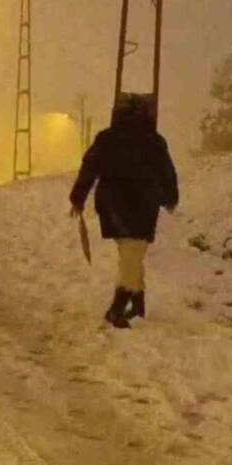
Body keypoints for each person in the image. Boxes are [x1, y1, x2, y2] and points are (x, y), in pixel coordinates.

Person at [69, 93, 179, 329]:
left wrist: (78, 197)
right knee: (133, 253)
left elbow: (89, 167)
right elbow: (166, 171)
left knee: (130, 254)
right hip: (143, 207)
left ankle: (137, 304)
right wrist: (171, 197)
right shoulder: (154, 141)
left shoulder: (108, 138)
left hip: (112, 206)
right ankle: (117, 308)